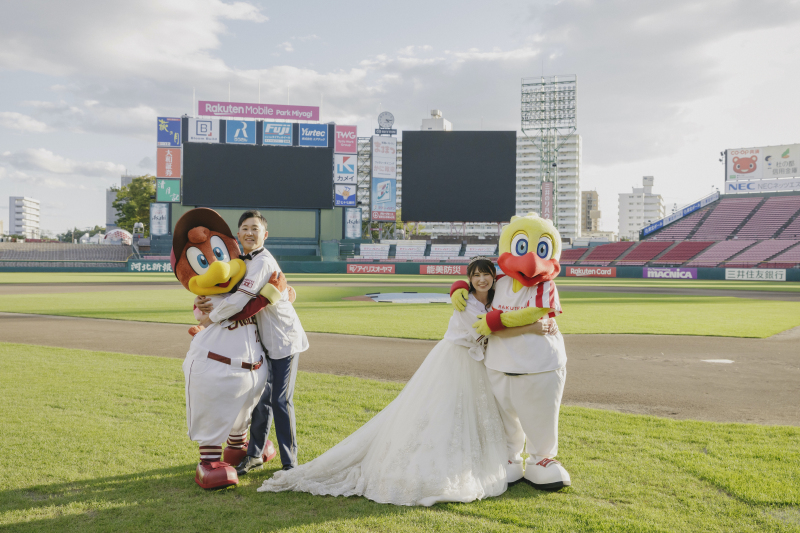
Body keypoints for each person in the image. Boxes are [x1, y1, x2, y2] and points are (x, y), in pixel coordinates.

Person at [256, 257, 557, 506]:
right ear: (469, 279)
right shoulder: (464, 302)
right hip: (457, 359)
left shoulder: (494, 296)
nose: (482, 280)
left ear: (494, 278)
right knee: (444, 411)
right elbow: (490, 330)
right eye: (475, 275)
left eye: (486, 275)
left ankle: (506, 459)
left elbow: (510, 295)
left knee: (475, 414)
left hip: (479, 364)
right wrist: (534, 326)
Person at [196, 210, 309, 475]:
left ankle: (290, 464)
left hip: (283, 340)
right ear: (238, 234)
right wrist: (205, 300)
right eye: (245, 228)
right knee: (262, 399)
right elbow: (228, 291)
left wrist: (211, 318)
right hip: (263, 341)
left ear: (264, 235)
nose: (249, 232)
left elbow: (240, 301)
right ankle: (255, 454)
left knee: (280, 400)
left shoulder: (261, 262)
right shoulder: (242, 262)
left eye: (255, 228)